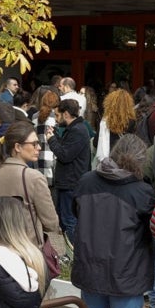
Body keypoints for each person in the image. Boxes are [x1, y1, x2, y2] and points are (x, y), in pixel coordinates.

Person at [73, 134, 155, 308]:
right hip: (127, 267)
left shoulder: (87, 181)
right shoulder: (143, 192)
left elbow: (75, 214)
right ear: (142, 161)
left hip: (90, 262)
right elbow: (151, 228)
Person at [0, 120, 59, 246]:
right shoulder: (34, 178)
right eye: (34, 144)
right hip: (28, 251)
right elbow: (51, 223)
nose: (39, 147)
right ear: (17, 147)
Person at [48, 97, 91, 242]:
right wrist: (55, 136)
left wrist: (51, 140)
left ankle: (73, 255)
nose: (56, 118)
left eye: (57, 115)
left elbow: (65, 155)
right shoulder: (73, 129)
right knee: (64, 219)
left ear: (66, 114)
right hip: (67, 182)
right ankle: (70, 254)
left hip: (71, 183)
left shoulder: (78, 130)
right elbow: (66, 149)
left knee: (69, 220)